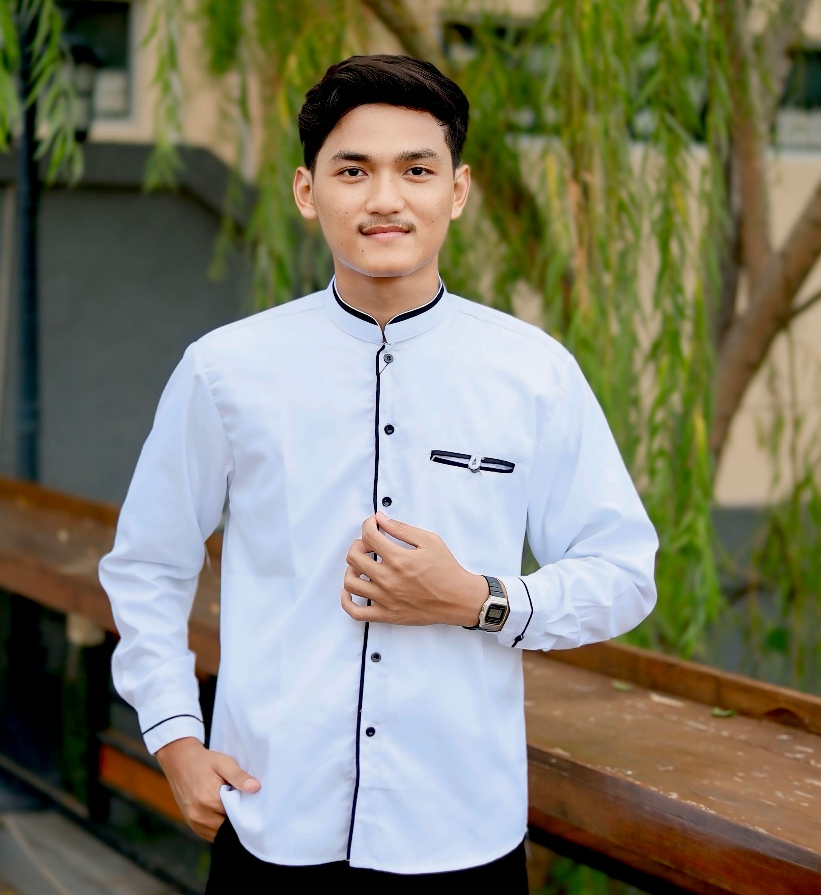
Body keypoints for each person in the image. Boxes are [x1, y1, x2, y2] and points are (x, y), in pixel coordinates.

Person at [99, 54, 658, 891]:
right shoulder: (225, 370)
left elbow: (623, 572)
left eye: (416, 170)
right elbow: (148, 563)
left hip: (459, 835)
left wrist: (476, 598)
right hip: (273, 821)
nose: (385, 198)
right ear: (306, 190)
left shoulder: (533, 373)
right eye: (353, 170)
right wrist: (175, 735)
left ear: (457, 192)